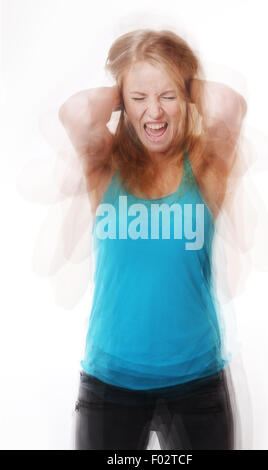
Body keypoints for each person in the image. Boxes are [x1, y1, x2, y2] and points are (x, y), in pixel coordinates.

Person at [59, 29, 247, 450]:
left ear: (186, 97)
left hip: (197, 386)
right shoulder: (103, 167)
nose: (154, 111)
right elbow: (75, 112)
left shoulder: (205, 168)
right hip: (110, 386)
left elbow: (231, 105)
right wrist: (130, 82)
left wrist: (177, 77)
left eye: (168, 96)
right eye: (139, 98)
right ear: (123, 103)